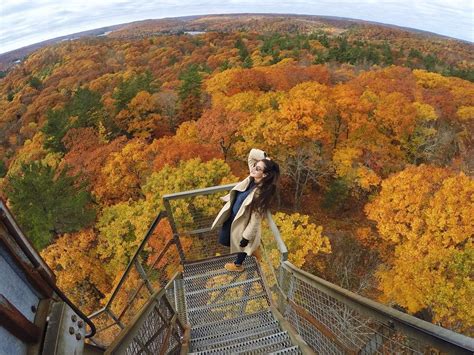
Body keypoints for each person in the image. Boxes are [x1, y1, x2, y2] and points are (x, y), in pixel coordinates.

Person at [211, 148, 280, 272]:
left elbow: (255, 221)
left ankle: (238, 265)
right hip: (233, 216)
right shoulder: (252, 178)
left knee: (241, 243)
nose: (253, 168)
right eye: (255, 166)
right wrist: (265, 157)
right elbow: (252, 155)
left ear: (264, 175)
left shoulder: (261, 194)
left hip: (242, 221)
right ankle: (254, 251)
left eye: (258, 168)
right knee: (225, 239)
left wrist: (246, 237)